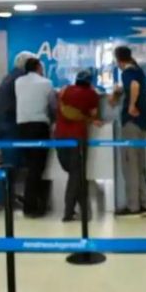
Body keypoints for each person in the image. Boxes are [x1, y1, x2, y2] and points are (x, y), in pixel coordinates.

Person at [0, 51, 36, 209]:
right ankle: (2, 199)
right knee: (10, 164)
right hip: (10, 125)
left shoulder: (9, 76)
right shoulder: (23, 78)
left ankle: (6, 196)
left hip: (0, 124)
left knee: (9, 162)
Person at [111, 46, 146, 217]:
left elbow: (134, 86)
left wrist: (130, 106)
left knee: (130, 165)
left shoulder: (128, 72)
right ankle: (145, 201)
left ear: (118, 59)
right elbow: (133, 85)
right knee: (138, 164)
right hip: (141, 124)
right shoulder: (138, 70)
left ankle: (134, 206)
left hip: (131, 123)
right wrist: (120, 91)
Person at [54, 69, 102, 222]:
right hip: (77, 137)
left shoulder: (64, 90)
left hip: (59, 136)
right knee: (77, 174)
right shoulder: (91, 94)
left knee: (76, 174)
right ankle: (68, 212)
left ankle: (85, 211)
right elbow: (94, 114)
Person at [14, 57, 56, 217]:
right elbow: (53, 106)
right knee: (37, 167)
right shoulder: (46, 83)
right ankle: (33, 207)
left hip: (22, 127)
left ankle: (31, 202)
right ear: (38, 67)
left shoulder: (18, 82)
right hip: (39, 126)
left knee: (30, 167)